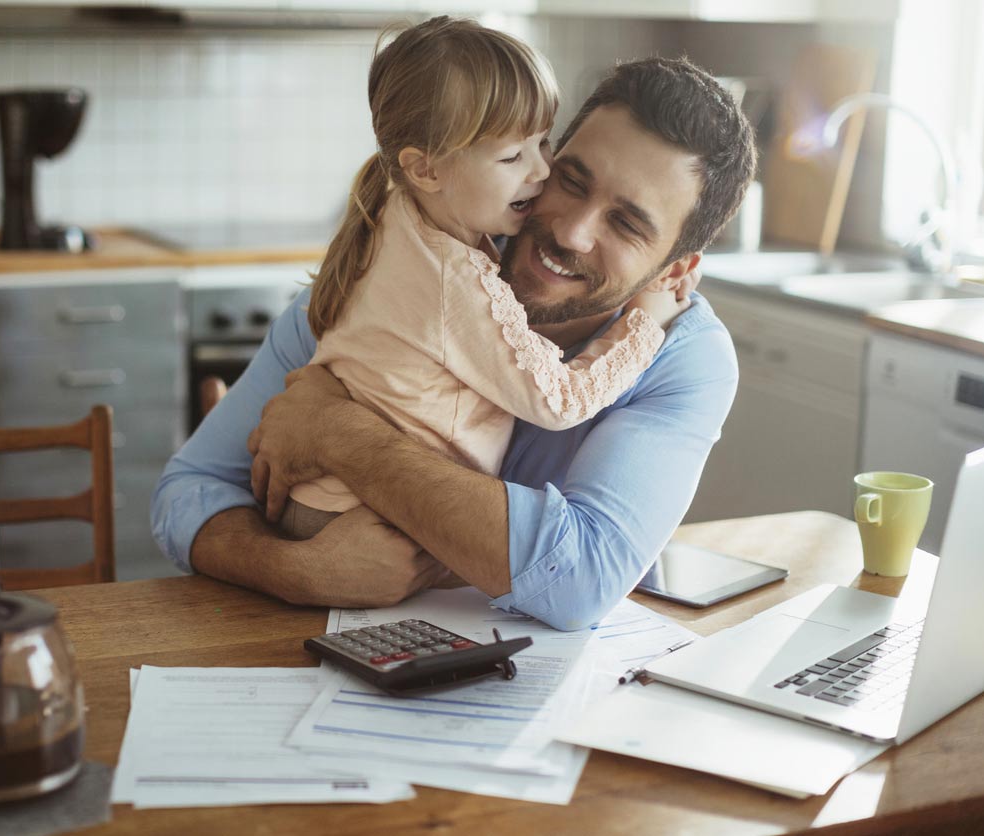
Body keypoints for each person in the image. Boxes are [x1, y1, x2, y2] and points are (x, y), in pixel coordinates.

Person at [153, 54, 758, 631]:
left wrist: (337, 433)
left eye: (626, 223)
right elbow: (186, 494)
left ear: (676, 272)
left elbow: (578, 582)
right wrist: (296, 570)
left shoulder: (683, 359)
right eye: (570, 180)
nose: (572, 231)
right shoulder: (393, 279)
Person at [280, 17, 681, 542]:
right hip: (358, 521)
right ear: (427, 170)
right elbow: (560, 402)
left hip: (328, 502)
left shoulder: (399, 207)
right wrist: (644, 324)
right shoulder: (457, 282)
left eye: (544, 142)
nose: (541, 171)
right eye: (512, 156)